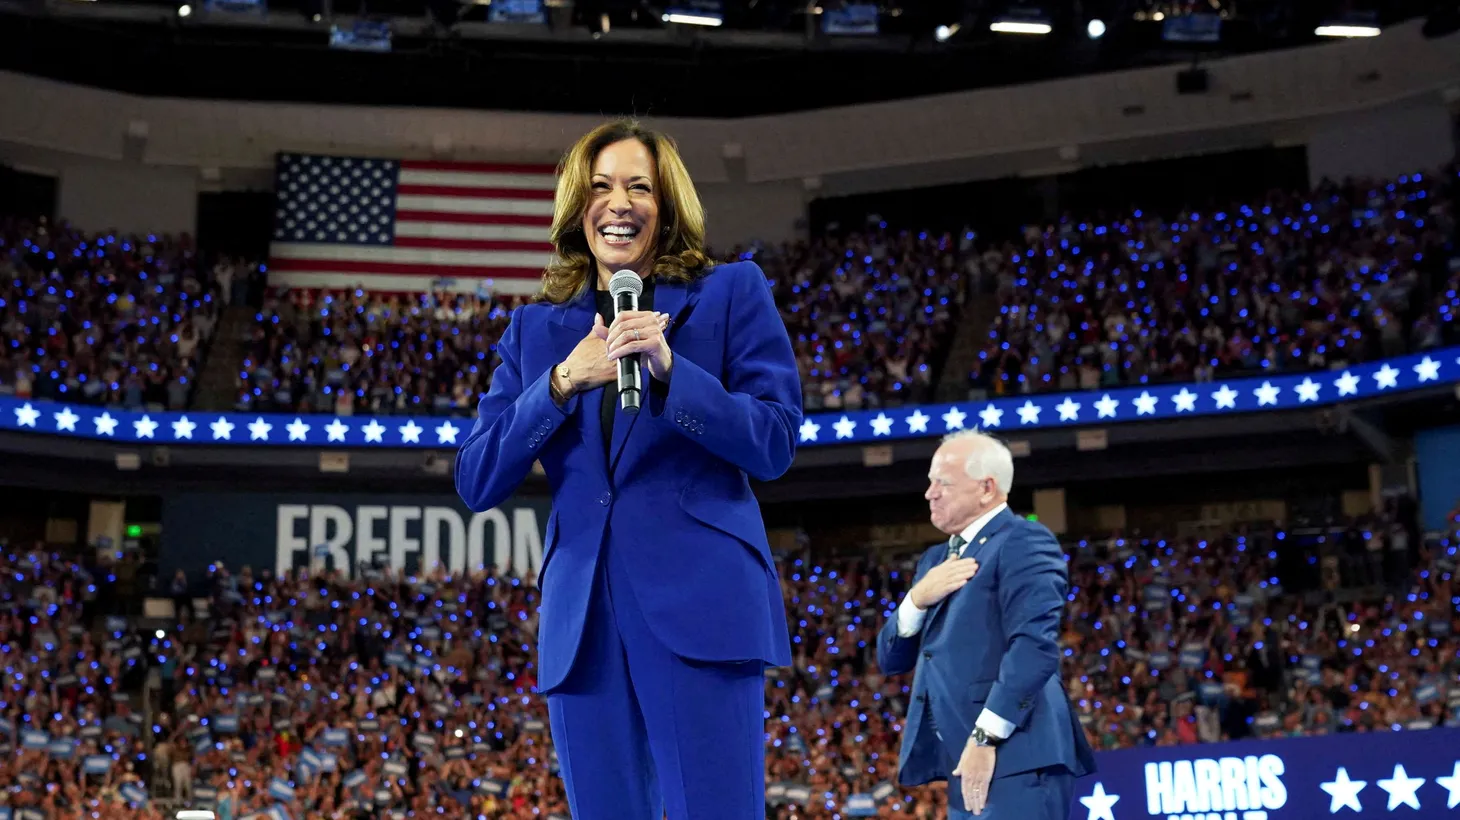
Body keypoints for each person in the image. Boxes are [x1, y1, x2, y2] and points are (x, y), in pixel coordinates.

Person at [454, 119, 802, 819]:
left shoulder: (730, 292)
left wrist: (675, 374)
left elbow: (774, 442)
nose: (619, 202)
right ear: (577, 208)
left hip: (701, 605)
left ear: (666, 206)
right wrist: (558, 384)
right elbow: (477, 477)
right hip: (583, 626)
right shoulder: (535, 331)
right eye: (601, 186)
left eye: (639, 186)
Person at [876, 429, 1095, 818]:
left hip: (1015, 755)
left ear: (986, 488)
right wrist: (915, 600)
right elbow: (891, 660)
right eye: (930, 482)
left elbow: (1033, 646)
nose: (930, 493)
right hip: (963, 762)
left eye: (942, 482)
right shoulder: (933, 561)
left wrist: (985, 737)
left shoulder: (1023, 540)